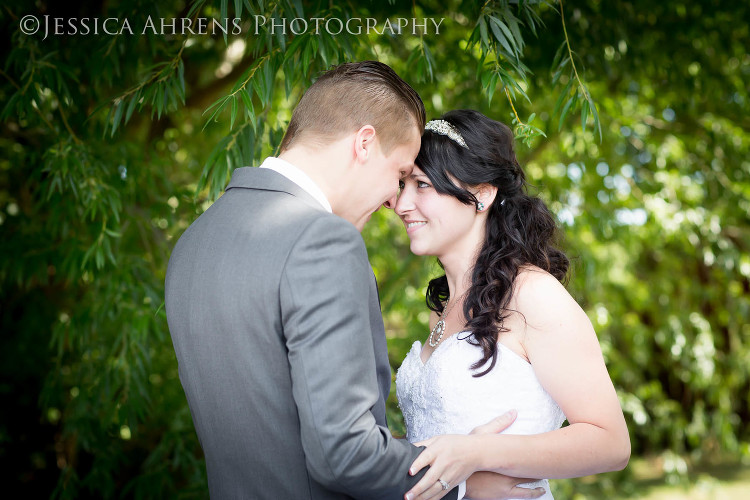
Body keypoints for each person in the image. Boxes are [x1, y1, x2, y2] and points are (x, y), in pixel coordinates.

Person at [165, 63, 542, 500]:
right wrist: (459, 483)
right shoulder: (322, 240)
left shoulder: (195, 241)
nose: (392, 201)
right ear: (364, 143)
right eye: (400, 175)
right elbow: (342, 454)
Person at [390, 110, 631, 500]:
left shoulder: (532, 295)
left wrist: (479, 453)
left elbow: (611, 443)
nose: (402, 204)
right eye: (403, 185)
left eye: (421, 185)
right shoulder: (443, 307)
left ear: (482, 194)